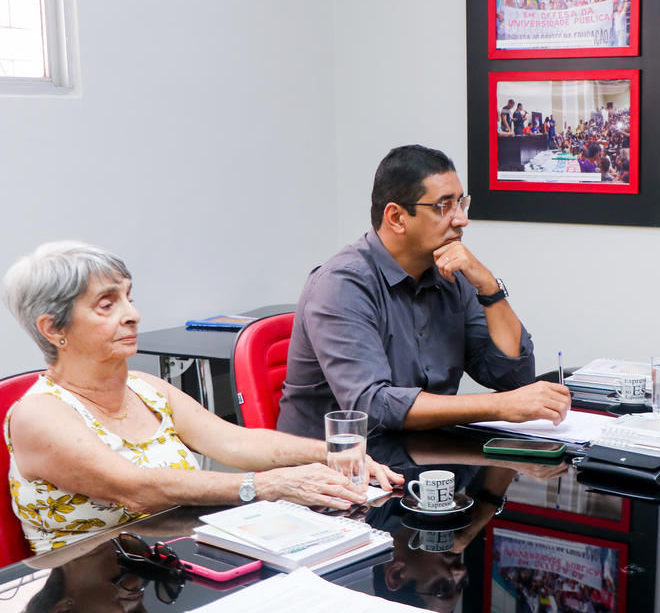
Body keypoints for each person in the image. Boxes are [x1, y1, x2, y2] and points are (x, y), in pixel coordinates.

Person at [1, 242, 403, 554]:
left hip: (164, 563)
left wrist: (332, 453)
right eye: (107, 305)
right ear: (54, 329)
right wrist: (268, 484)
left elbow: (236, 442)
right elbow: (134, 488)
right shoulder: (39, 414)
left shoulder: (146, 387)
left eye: (128, 298)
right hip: (86, 582)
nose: (132, 314)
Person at [277, 145, 570, 438]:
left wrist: (489, 287)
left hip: (422, 450)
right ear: (396, 218)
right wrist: (499, 406)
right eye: (444, 206)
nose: (461, 219)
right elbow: (372, 405)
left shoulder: (451, 274)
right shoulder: (341, 285)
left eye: (461, 203)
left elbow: (514, 379)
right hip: (337, 459)